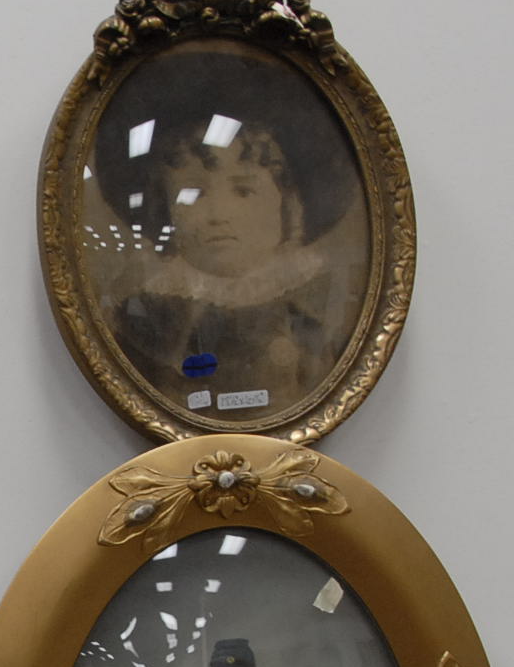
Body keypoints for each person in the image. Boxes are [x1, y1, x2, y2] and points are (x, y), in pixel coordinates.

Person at [89, 47, 362, 416]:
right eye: (193, 193)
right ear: (164, 208)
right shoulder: (139, 324)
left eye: (244, 191)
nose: (218, 215)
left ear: (287, 204)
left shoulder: (312, 332)